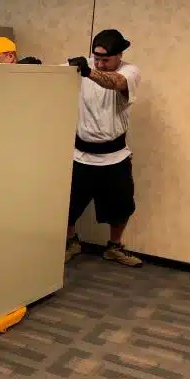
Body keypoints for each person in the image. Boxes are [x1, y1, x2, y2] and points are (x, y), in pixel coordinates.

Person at [65, 29, 142, 267]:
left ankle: (114, 247)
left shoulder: (129, 72)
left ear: (119, 55)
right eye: (96, 58)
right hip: (80, 155)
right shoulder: (84, 65)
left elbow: (116, 83)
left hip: (115, 156)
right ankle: (71, 242)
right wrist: (33, 69)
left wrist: (89, 72)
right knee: (67, 205)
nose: (99, 63)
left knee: (121, 207)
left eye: (105, 59)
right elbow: (53, 75)